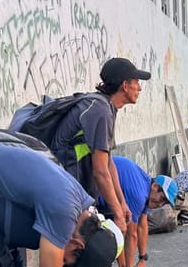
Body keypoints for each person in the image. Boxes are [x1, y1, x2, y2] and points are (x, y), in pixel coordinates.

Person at [49, 57, 152, 236]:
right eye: (136, 82)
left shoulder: (106, 107)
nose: (140, 88)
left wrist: (122, 203)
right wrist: (118, 216)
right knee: (75, 246)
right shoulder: (100, 110)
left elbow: (108, 162)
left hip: (73, 184)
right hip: (63, 186)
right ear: (125, 86)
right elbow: (100, 172)